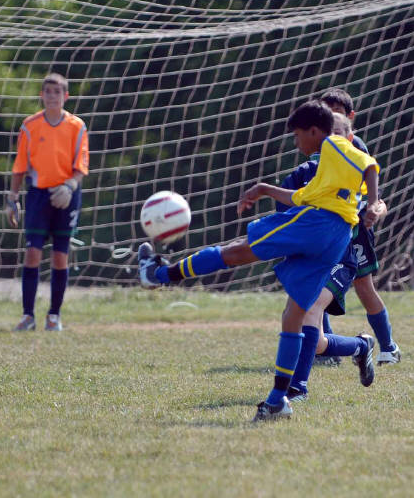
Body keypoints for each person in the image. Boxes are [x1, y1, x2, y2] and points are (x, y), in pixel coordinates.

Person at [138, 100, 381, 421]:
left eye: (297, 135)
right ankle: (278, 400)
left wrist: (374, 203)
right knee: (293, 317)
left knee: (236, 251)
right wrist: (264, 189)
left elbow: (369, 165)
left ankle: (159, 275)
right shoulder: (328, 171)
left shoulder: (333, 144)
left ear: (313, 131)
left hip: (316, 224)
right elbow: (299, 197)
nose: (296, 143)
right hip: (334, 237)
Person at [284, 112, 381, 402]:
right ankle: (361, 346)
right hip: (311, 258)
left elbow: (372, 178)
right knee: (315, 340)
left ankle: (297, 389)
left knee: (311, 307)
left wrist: (374, 206)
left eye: (338, 135)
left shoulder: (352, 167)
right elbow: (287, 208)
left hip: (341, 256)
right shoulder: (303, 173)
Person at [321, 88, 401, 365]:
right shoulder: (319, 145)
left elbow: (371, 192)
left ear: (350, 117)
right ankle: (327, 351)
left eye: (337, 115)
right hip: (327, 227)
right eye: (326, 114)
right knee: (317, 282)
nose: (331, 121)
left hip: (354, 229)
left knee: (363, 287)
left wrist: (374, 208)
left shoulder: (354, 146)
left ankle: (388, 347)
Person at [5, 73, 89, 331]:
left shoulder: (77, 126)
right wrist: (12, 198)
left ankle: (54, 316)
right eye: (48, 91)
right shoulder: (30, 126)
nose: (52, 96)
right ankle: (27, 316)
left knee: (60, 257)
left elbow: (81, 165)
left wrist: (70, 186)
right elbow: (20, 166)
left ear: (66, 96)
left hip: (67, 196)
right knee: (32, 253)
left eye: (57, 91)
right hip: (38, 195)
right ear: (41, 95)